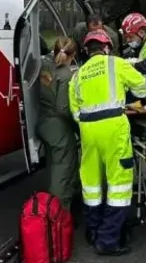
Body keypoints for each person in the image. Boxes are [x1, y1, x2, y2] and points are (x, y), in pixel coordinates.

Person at [69, 30, 146, 256]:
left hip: (88, 130)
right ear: (107, 47)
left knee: (91, 182)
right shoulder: (115, 63)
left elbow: (76, 112)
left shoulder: (78, 74)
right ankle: (108, 240)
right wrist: (130, 103)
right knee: (119, 184)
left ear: (88, 51)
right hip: (114, 129)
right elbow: (144, 88)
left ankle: (93, 230)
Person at [36, 37, 80, 211]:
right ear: (73, 55)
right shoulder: (66, 75)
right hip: (59, 128)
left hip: (44, 123)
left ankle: (48, 206)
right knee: (63, 170)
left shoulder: (46, 68)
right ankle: (59, 214)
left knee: (52, 168)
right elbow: (63, 109)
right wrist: (78, 125)